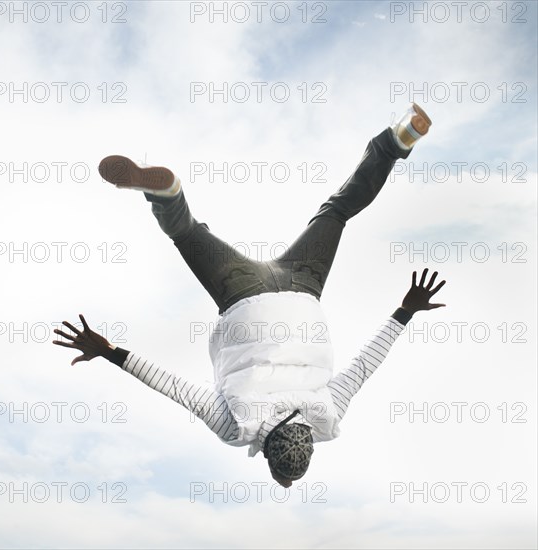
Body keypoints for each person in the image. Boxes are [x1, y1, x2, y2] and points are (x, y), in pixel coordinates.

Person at [53, 104, 446, 488]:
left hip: (304, 288)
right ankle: (168, 196)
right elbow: (174, 387)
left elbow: (365, 366)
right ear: (270, 457)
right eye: (284, 477)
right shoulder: (236, 428)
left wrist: (404, 312)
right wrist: (109, 351)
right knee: (186, 234)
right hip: (242, 297)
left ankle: (398, 139)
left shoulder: (328, 412)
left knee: (336, 212)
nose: (285, 485)